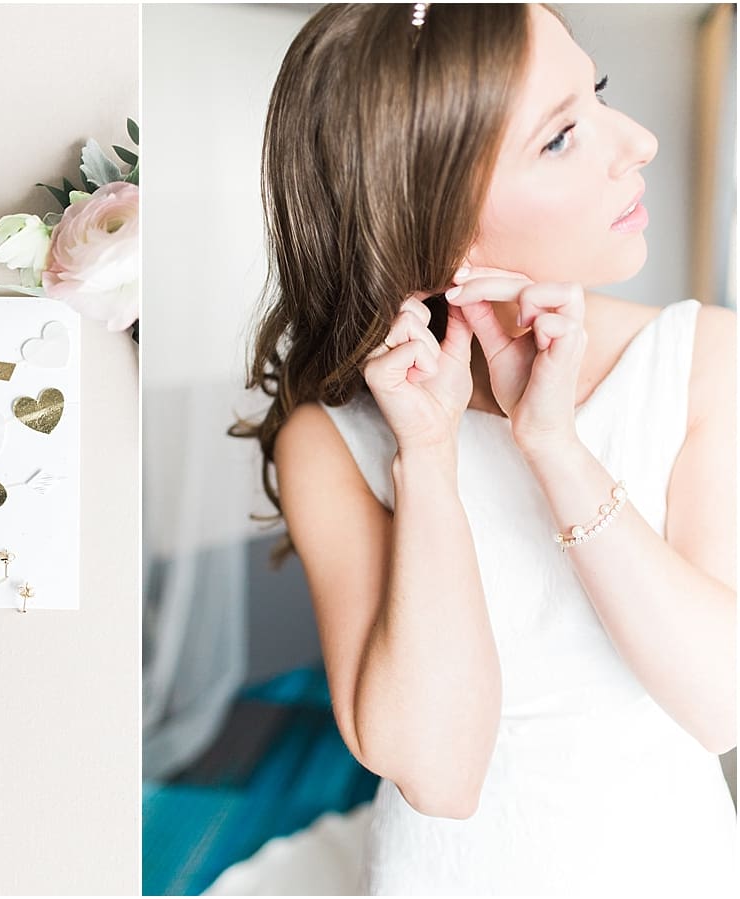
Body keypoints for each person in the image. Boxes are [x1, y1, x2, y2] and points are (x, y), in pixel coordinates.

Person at [230, 3, 737, 894]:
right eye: (561, 137)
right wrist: (427, 454)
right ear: (444, 222)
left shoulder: (703, 360)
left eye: (599, 93)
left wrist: (555, 448)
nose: (642, 142)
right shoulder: (334, 439)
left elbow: (719, 701)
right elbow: (440, 771)